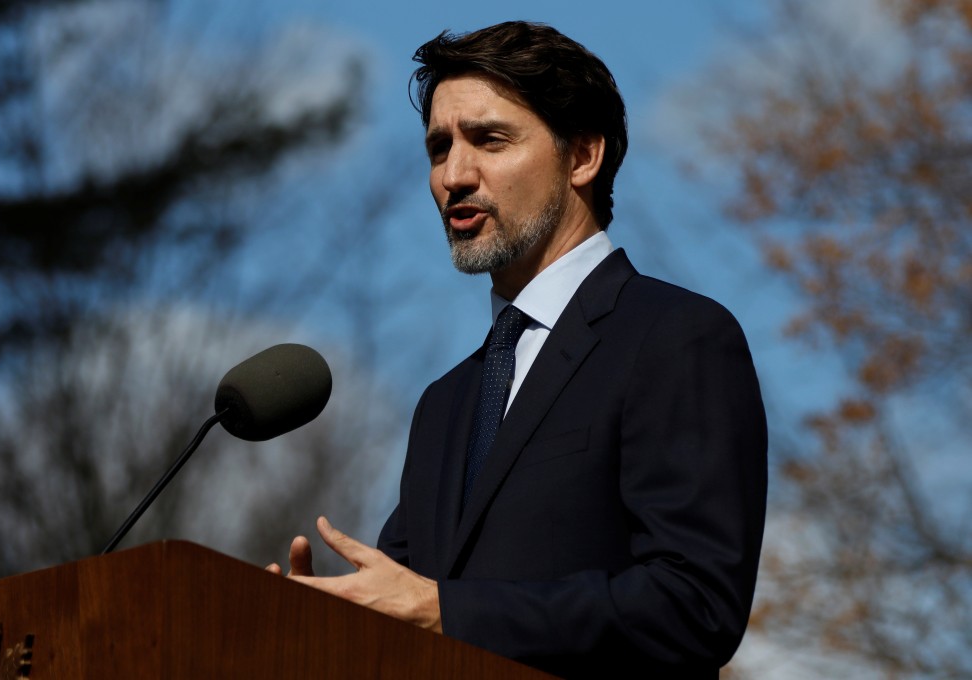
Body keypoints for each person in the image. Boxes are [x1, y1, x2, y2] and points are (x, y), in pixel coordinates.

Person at [267, 21, 767, 678]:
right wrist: (320, 624)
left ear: (582, 156)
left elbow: (694, 605)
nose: (454, 175)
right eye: (438, 147)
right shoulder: (445, 405)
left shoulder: (675, 336)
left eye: (490, 140)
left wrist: (450, 611)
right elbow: (406, 610)